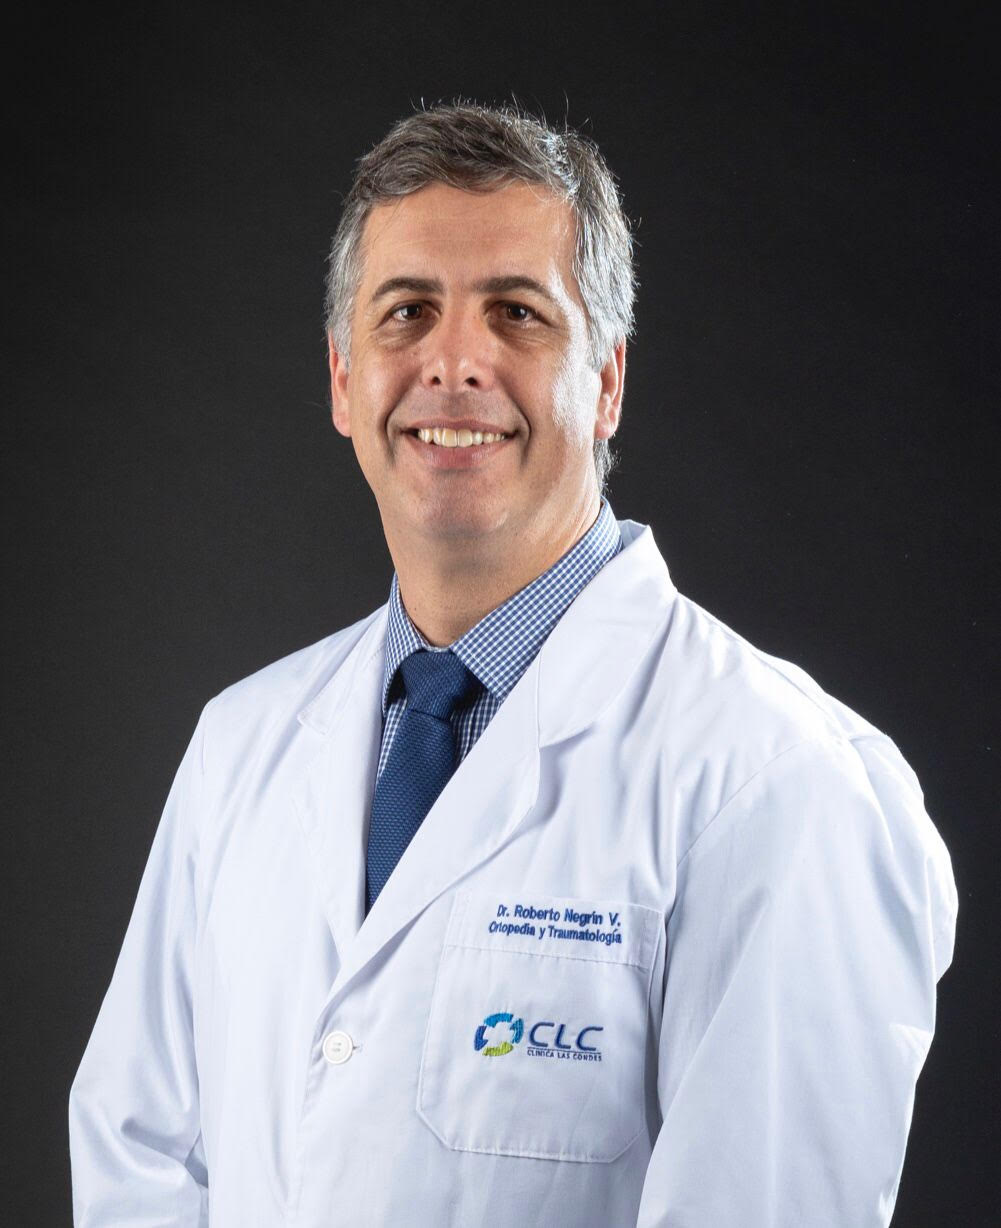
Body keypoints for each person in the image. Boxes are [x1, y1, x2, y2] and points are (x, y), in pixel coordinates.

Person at [68, 102, 957, 1227]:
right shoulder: (240, 744)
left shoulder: (778, 781)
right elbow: (140, 1155)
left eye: (517, 313)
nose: (453, 362)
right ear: (343, 379)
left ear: (606, 381)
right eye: (406, 312)